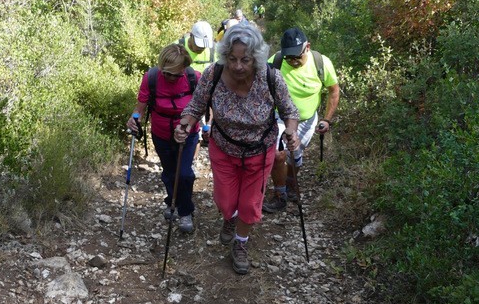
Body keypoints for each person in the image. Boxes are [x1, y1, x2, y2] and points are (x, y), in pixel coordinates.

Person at [174, 23, 300, 274]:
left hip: (259, 149)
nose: (238, 66)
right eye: (232, 58)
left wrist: (292, 131)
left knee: (250, 203)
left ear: (256, 57)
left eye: (245, 59)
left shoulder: (271, 77)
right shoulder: (214, 74)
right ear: (225, 56)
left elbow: (289, 111)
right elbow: (195, 106)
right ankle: (228, 220)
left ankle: (240, 244)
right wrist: (185, 125)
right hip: (223, 147)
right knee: (225, 199)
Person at [262, 26, 340, 213]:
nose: (293, 61)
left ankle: (290, 185)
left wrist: (327, 119)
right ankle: (280, 195)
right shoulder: (276, 61)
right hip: (280, 117)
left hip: (307, 120)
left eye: (297, 56)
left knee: (294, 157)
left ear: (307, 47)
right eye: (289, 56)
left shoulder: (321, 63)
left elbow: (333, 90)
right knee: (278, 154)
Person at [127, 44, 201, 233]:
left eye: (176, 74)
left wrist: (205, 125)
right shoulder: (151, 78)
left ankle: (185, 212)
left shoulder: (194, 78)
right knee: (169, 172)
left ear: (184, 69)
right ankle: (172, 201)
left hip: (188, 132)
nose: (171, 78)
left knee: (184, 173)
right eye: (167, 73)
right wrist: (134, 119)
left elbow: (204, 104)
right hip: (161, 133)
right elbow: (140, 107)